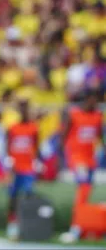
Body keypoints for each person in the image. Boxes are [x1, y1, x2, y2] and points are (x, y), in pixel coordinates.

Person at [60, 89, 105, 242]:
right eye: (92, 100)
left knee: (85, 192)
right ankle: (75, 228)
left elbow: (99, 136)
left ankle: (81, 225)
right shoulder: (74, 114)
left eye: (96, 101)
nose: (94, 104)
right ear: (86, 100)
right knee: (84, 188)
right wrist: (63, 155)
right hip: (77, 158)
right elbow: (64, 135)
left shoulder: (98, 116)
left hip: (90, 159)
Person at [5, 99, 40, 240]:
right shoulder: (12, 128)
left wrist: (36, 161)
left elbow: (36, 146)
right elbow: (7, 146)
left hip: (28, 168)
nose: (25, 112)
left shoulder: (34, 128)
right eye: (22, 109)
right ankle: (12, 226)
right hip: (15, 168)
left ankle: (27, 226)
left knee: (27, 195)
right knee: (13, 197)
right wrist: (8, 161)